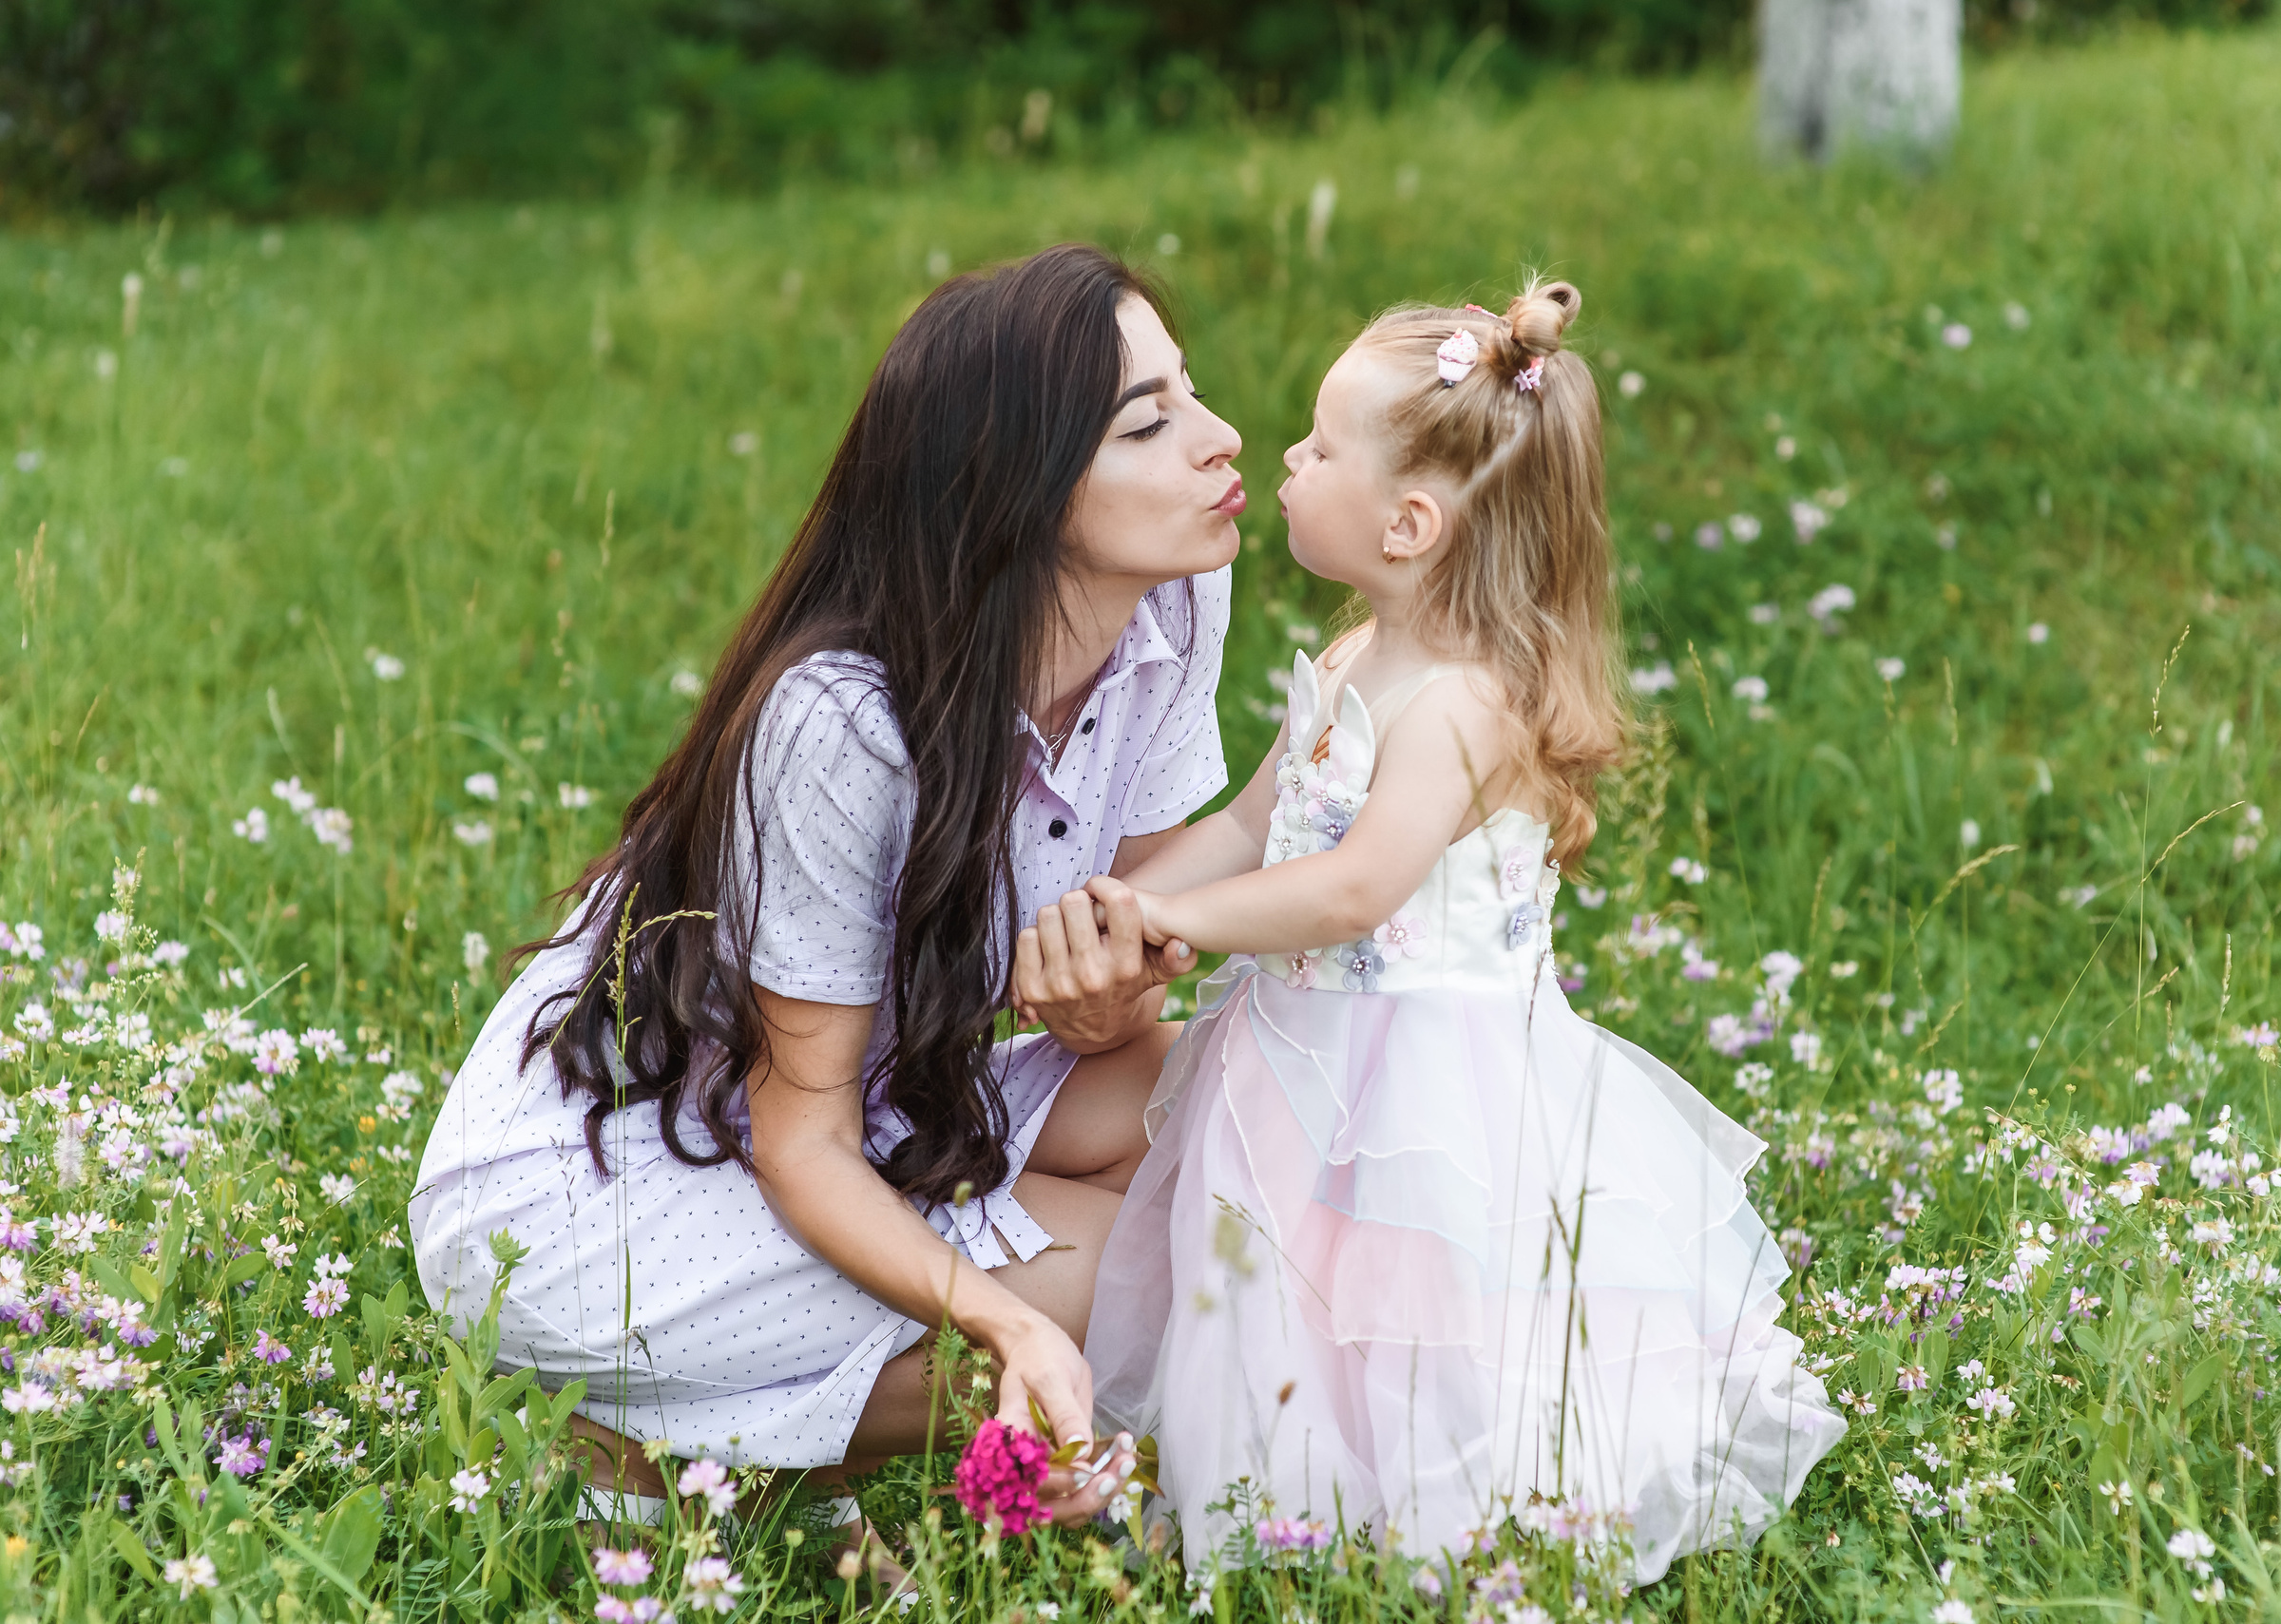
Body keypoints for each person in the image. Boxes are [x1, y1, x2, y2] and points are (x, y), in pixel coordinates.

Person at [409, 244, 1247, 1530]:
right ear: (1015, 488)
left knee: (1242, 1127)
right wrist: (1005, 1317)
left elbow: (1117, 961)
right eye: (1151, 421)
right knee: (1143, 1270)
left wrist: (1105, 993)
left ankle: (736, 1437)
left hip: (898, 1095)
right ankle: (658, 1455)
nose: (1221, 437)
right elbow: (800, 1139)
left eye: (1188, 393)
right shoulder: (843, 719)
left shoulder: (1176, 598)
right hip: (622, 1174)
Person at [1076, 281, 1846, 1574]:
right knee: (1294, 1284)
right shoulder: (1344, 663)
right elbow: (1258, 825)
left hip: (1434, 1074)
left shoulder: (1463, 707)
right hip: (1306, 1051)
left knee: (1429, 1303)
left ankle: (1446, 1508)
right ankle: (1293, 1497)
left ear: (1411, 520)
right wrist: (1137, 891)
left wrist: (1174, 917)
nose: (1287, 459)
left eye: (1320, 448)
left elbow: (1354, 888)